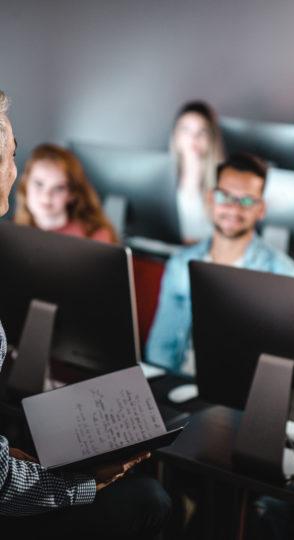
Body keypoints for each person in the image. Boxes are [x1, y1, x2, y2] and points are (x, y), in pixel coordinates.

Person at [0, 90, 170, 537]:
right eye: (10, 155)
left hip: (72, 382)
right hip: (27, 392)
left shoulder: (95, 241)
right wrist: (85, 485)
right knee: (149, 502)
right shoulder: (14, 237)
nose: (15, 172)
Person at [145, 153, 294, 374]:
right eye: (225, 197)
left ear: (261, 209)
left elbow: (281, 364)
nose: (233, 209)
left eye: (246, 200)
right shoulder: (181, 263)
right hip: (179, 382)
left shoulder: (283, 272)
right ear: (211, 198)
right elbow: (160, 347)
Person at [14, 143, 117, 243]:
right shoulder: (15, 229)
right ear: (25, 183)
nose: (46, 197)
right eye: (39, 184)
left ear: (72, 194)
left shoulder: (95, 236)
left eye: (59, 188)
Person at [170, 100, 225, 244]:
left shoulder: (223, 184)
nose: (193, 138)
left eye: (202, 132)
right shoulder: (161, 180)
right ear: (175, 135)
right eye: (186, 130)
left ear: (211, 139)